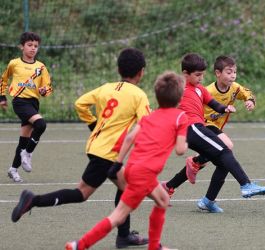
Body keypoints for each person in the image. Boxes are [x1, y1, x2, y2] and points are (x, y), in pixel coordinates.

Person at [11, 48, 149, 248]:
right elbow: (146, 124)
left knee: (126, 187)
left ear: (119, 69)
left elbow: (80, 104)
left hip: (96, 146)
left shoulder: (106, 88)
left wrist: (93, 124)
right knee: (82, 193)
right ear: (141, 72)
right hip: (108, 153)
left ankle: (124, 235)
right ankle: (33, 200)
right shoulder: (139, 95)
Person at [65, 71, 189, 250]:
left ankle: (155, 246)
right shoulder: (180, 117)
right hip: (144, 173)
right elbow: (180, 150)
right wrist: (184, 140)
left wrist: (117, 164)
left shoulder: (149, 116)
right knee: (118, 216)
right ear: (180, 97)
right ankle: (79, 245)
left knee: (162, 200)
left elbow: (130, 138)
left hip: (133, 167)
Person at [163, 53, 265, 213]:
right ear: (185, 74)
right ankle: (246, 185)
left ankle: (206, 200)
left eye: (202, 75)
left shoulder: (200, 90)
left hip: (199, 129)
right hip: (192, 128)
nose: (201, 78)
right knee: (225, 150)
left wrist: (225, 108)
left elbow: (214, 104)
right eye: (197, 75)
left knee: (223, 163)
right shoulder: (180, 88)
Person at [0, 32, 53, 182]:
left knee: (23, 140)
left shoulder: (41, 67)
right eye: (29, 45)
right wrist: (2, 97)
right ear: (22, 47)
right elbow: (3, 80)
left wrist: (44, 91)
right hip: (20, 101)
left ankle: (13, 169)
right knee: (41, 124)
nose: (33, 48)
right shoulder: (14, 63)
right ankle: (28, 153)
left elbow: (48, 87)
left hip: (33, 104)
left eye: (35, 46)